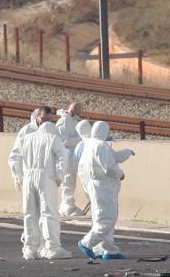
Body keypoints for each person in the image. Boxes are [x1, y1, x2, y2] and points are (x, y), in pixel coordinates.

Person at [17, 121, 71, 260]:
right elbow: (63, 157)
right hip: (46, 177)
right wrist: (59, 176)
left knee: (30, 213)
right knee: (49, 212)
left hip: (28, 176)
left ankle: (30, 249)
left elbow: (14, 156)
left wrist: (18, 175)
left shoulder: (27, 138)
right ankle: (52, 247)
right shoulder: (53, 138)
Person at [77, 121, 130, 260]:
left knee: (100, 217)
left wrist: (127, 152)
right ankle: (87, 243)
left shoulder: (91, 144)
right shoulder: (100, 145)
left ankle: (108, 249)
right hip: (103, 187)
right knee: (107, 219)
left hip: (96, 186)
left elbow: (114, 156)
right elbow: (109, 167)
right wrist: (121, 174)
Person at [56, 103, 84, 216]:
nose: (79, 116)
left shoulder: (72, 121)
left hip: (72, 157)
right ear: (72, 111)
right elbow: (63, 141)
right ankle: (67, 207)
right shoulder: (64, 122)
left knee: (70, 182)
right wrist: (80, 140)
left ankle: (67, 205)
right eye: (78, 114)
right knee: (67, 182)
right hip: (66, 156)